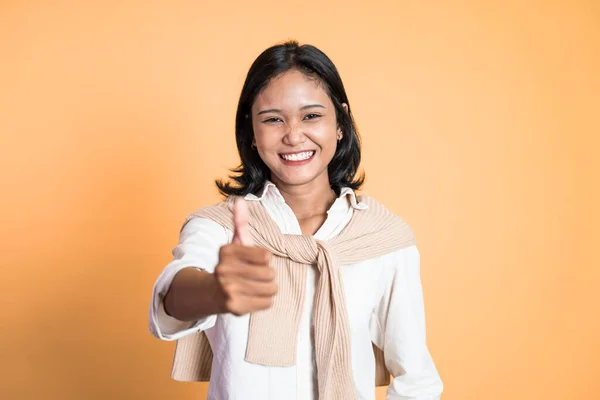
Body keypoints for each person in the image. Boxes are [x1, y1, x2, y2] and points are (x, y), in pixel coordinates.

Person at [148, 40, 443, 400]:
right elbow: (171, 300)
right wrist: (215, 291)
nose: (292, 134)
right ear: (252, 133)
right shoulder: (219, 227)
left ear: (340, 123)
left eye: (312, 116)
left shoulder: (383, 239)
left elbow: (417, 378)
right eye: (273, 119)